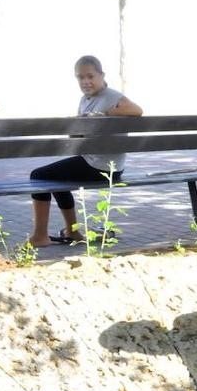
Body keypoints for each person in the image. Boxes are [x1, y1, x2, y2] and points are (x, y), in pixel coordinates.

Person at [28, 55, 142, 247]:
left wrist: (105, 114)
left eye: (90, 76)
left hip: (102, 167)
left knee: (39, 176)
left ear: (102, 75)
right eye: (80, 77)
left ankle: (40, 236)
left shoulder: (112, 96)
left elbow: (137, 110)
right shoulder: (85, 100)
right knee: (54, 178)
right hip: (97, 163)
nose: (85, 81)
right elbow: (80, 136)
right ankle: (72, 232)